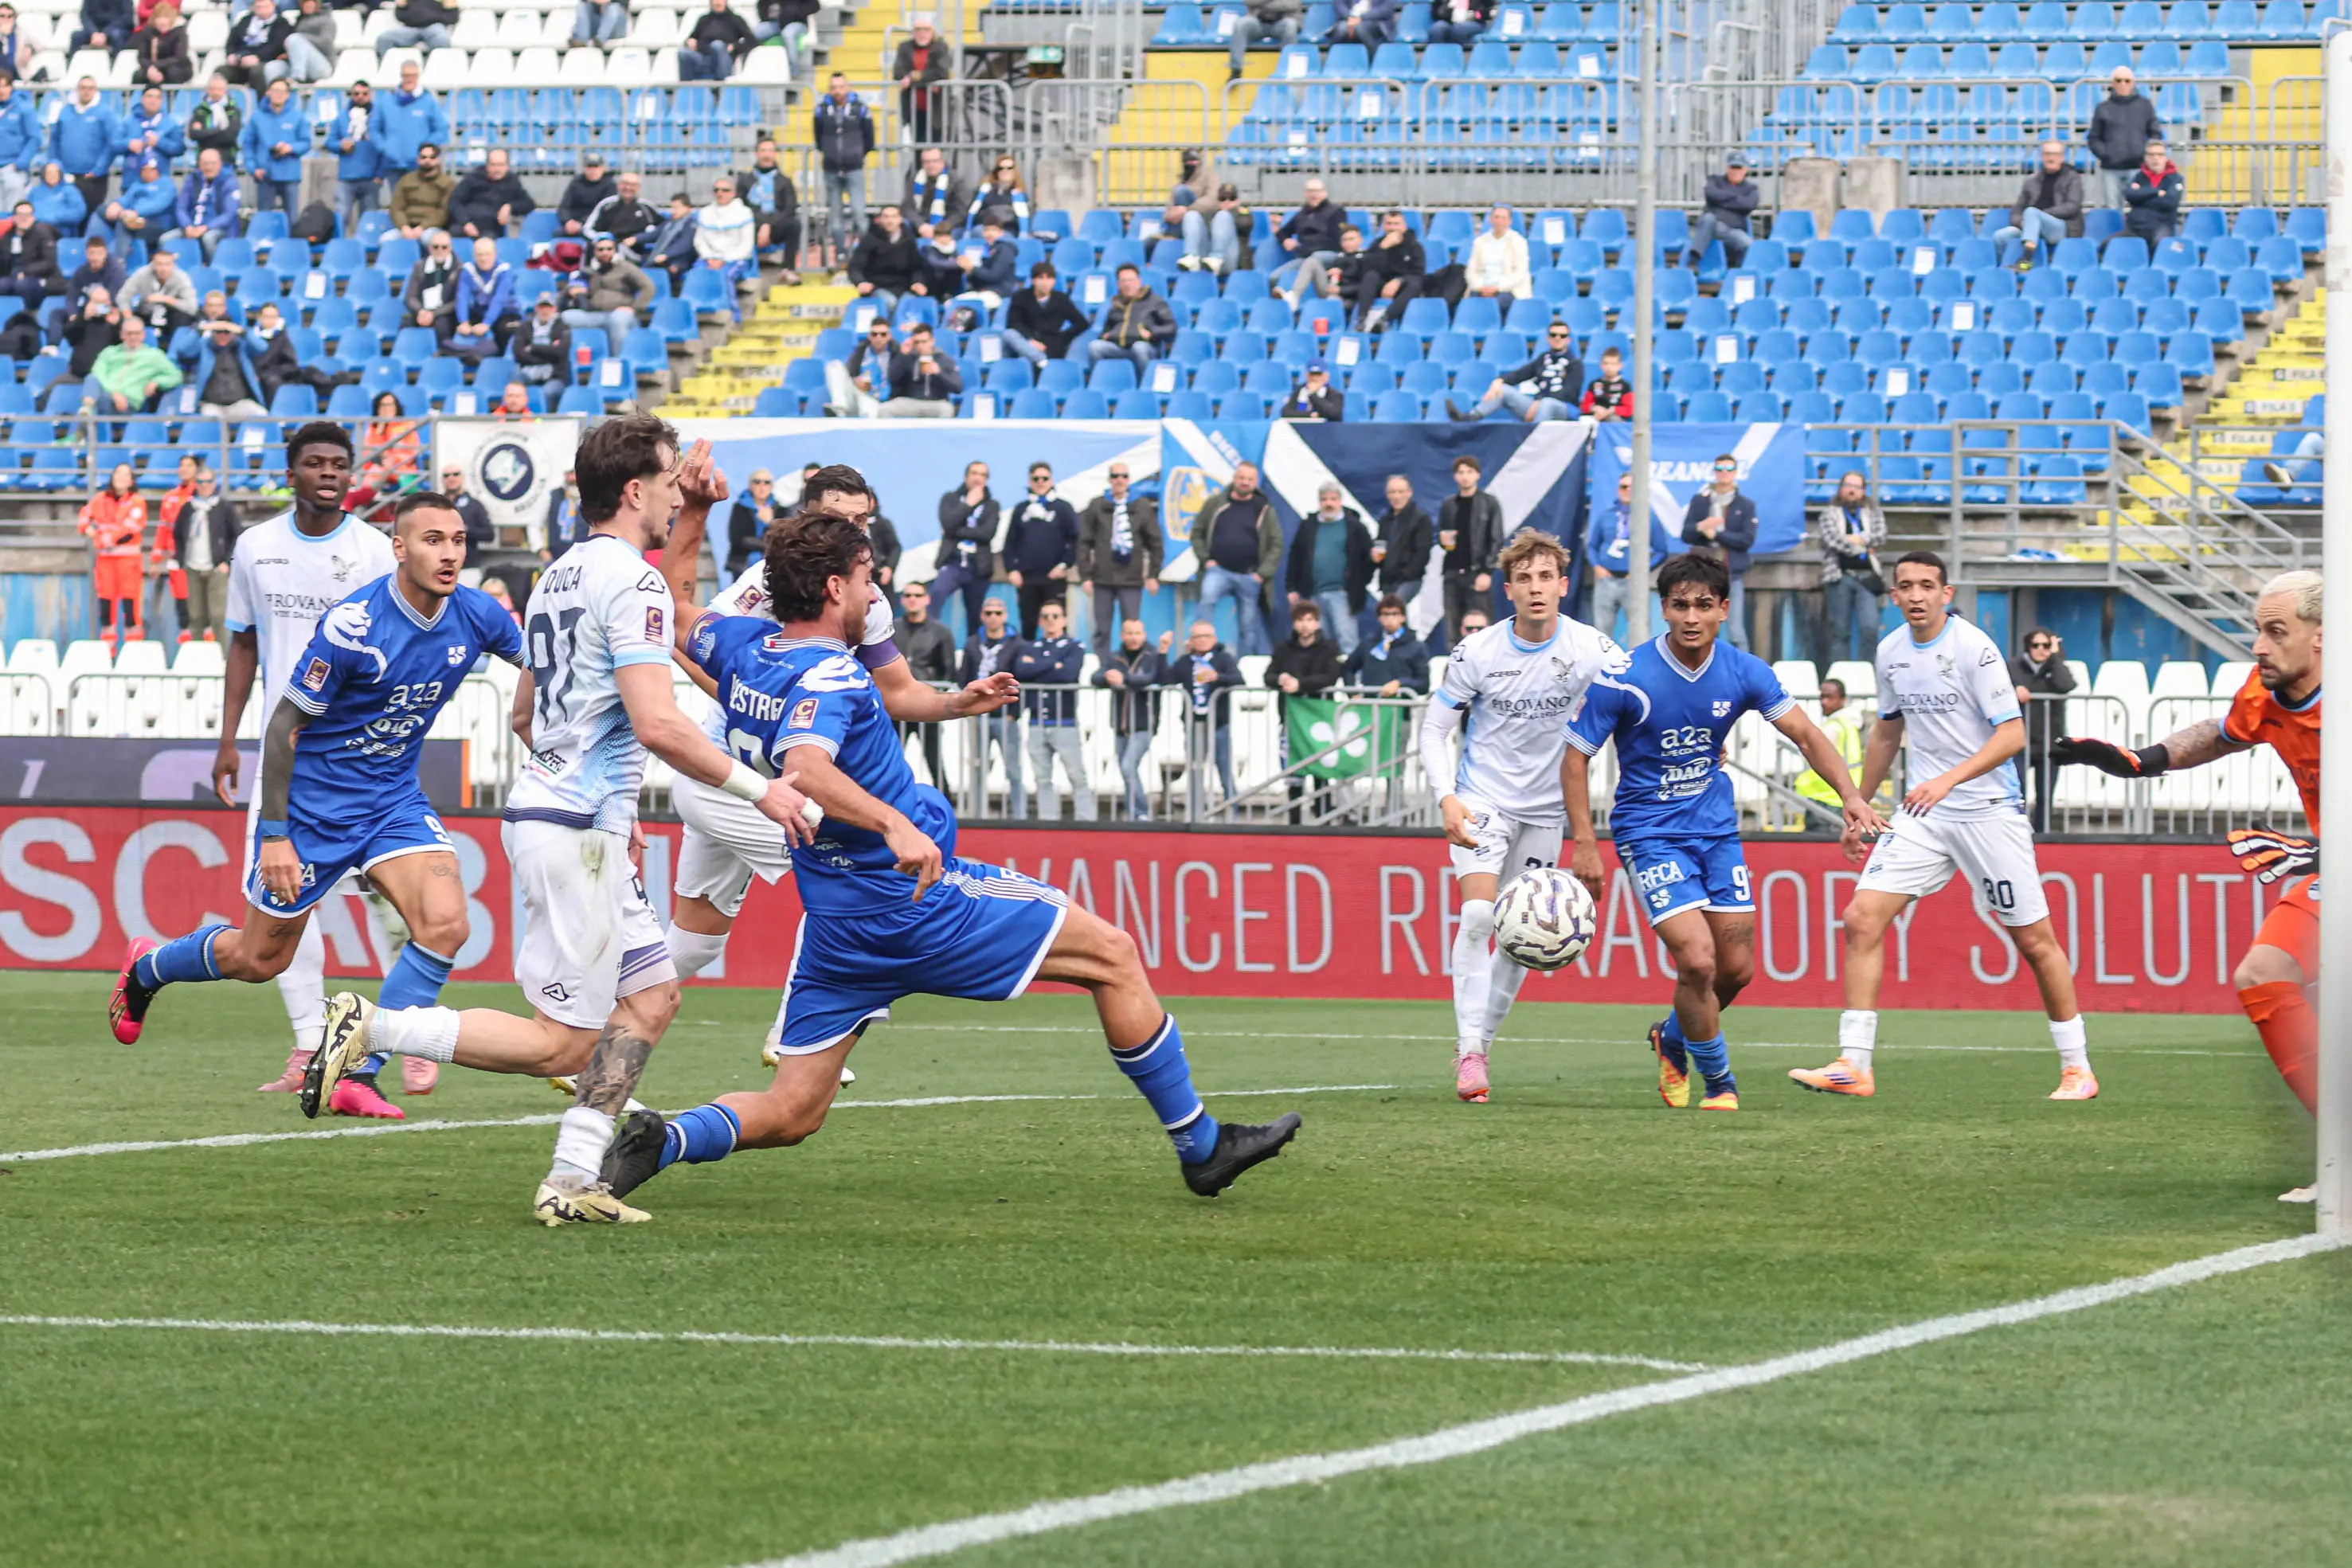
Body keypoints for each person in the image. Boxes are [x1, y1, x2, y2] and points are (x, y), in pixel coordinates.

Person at [581, 511, 1301, 1213]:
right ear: (834, 588)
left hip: (837, 924)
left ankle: (666, 1139)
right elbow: (806, 766)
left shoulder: (745, 648)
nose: (874, 592)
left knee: (795, 1109)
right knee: (1112, 955)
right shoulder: (829, 675)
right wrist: (894, 821)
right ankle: (1201, 1146)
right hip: (916, 902)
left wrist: (699, 511)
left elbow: (670, 609)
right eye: (867, 578)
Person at [309, 420, 820, 1222]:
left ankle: (574, 1179)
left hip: (573, 816)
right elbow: (658, 723)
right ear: (632, 490)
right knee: (561, 1042)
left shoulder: (559, 574)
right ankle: (375, 1029)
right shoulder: (632, 580)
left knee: (652, 996)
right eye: (664, 479)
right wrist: (765, 792)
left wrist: (606, 797)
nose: (669, 492)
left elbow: (527, 710)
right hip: (574, 828)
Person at [112, 491, 519, 1115]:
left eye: (458, 540)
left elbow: (547, 661)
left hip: (393, 801)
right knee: (258, 957)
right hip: (313, 810)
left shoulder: (479, 613)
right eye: (433, 539)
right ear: (399, 547)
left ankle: (358, 1069)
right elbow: (283, 728)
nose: (449, 553)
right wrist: (275, 834)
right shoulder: (354, 624)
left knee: (445, 924)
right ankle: (149, 966)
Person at [646, 464, 1019, 1064]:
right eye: (843, 518)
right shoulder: (767, 585)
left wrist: (955, 701)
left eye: (863, 520)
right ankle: (800, 1031)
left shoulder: (862, 596)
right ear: (808, 518)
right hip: (738, 779)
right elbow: (678, 628)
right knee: (852, 882)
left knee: (693, 941)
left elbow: (896, 691)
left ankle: (589, 1034)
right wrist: (751, 696)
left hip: (769, 772)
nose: (856, 530)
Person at [1567, 550, 1880, 1112]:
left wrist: (1851, 796)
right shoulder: (1624, 676)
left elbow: (1806, 734)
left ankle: (1671, 1036)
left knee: (1735, 971)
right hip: (1650, 833)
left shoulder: (1743, 671)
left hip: (1716, 835)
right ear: (1663, 608)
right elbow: (1574, 757)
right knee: (1697, 960)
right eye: (1680, 604)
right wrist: (1586, 842)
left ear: (1722, 609)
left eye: (1703, 605)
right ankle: (1720, 1084)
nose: (1691, 616)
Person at [138, 427, 399, 1095]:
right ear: (291, 474)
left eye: (340, 464)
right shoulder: (256, 548)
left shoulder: (373, 551)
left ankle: (410, 1030)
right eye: (315, 463)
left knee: (394, 893)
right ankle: (309, 1043)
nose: (329, 474)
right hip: (285, 756)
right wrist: (230, 739)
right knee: (285, 902)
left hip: (364, 752)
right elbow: (244, 646)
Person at [2049, 573, 2323, 1198]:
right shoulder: (2267, 691)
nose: (2257, 645)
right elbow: (2224, 733)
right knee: (2263, 973)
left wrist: (2319, 849)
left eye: (2274, 631)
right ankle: (2341, 1151)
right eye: (2257, 629)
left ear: (2321, 639)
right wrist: (2142, 759)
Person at [1791, 552, 2097, 1102]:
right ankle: (1853, 1064)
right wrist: (1857, 802)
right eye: (1904, 586)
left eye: (1926, 586)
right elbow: (1886, 732)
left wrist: (1947, 781)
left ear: (1945, 593)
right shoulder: (1889, 652)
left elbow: (2011, 736)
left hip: (1986, 809)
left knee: (2034, 940)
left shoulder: (1973, 648)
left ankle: (2077, 1067)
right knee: (1860, 918)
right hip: (1923, 815)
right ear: (1892, 596)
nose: (1915, 595)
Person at [1418, 530, 1626, 1103]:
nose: (1536, 589)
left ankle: (1481, 1045)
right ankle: (1466, 1051)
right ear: (1508, 590)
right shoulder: (1477, 652)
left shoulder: (1590, 648)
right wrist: (1445, 796)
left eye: (1545, 578)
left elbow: (1643, 695)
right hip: (1481, 799)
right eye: (1524, 579)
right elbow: (1434, 728)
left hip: (1545, 811)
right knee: (1481, 915)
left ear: (1562, 586)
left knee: (1519, 938)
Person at [1014, 600, 1090, 821]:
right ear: (1040, 621)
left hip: (1064, 721)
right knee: (1041, 777)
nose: (1051, 621)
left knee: (1077, 775)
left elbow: (1068, 674)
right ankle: (1048, 820)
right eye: (1046, 617)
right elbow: (1022, 671)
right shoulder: (1031, 647)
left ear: (1064, 620)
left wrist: (1038, 667)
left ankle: (1087, 820)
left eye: (1055, 616)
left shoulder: (1074, 646)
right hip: (1037, 720)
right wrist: (1053, 664)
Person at [1267, 599, 1342, 823]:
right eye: (1301, 620)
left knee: (1322, 774)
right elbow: (1268, 675)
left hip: (1321, 721)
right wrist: (1281, 679)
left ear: (1317, 623)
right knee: (1294, 775)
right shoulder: (1284, 648)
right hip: (1291, 722)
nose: (1305, 625)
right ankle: (1294, 823)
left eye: (1310, 620)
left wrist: (1300, 685)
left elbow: (1331, 675)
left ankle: (1323, 821)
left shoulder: (1329, 647)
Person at [1194, 459, 1279, 657]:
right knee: (1206, 603)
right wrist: (1206, 559)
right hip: (1218, 571)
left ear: (1256, 482)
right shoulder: (1215, 504)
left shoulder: (1265, 509)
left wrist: (1262, 574)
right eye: (1241, 477)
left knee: (1248, 627)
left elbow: (1276, 543)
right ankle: (1199, 653)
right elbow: (1197, 532)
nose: (1245, 482)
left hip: (1249, 575)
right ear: (1234, 479)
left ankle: (1243, 667)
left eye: (1250, 479)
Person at [1076, 460, 1160, 655]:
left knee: (1132, 630)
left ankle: (1130, 668)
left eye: (1123, 476)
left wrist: (1153, 574)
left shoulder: (1141, 506)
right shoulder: (1098, 505)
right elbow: (1084, 542)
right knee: (1101, 629)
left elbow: (1155, 542)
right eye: (1115, 476)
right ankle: (1103, 668)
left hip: (1131, 578)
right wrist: (1086, 576)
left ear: (1129, 480)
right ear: (1109, 480)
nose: (1119, 480)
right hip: (1102, 578)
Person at [1586, 468, 1673, 645]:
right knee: (1601, 631)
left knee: (1639, 630)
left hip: (1633, 582)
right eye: (1624, 487)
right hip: (1606, 579)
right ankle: (1602, 669)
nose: (1628, 491)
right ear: (1618, 489)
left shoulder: (1649, 517)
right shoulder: (1606, 516)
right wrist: (1597, 566)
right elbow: (1592, 545)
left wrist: (1641, 571)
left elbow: (1661, 550)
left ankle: (1639, 669)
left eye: (1632, 487)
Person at [1286, 481, 1372, 658]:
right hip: (1313, 594)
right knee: (1316, 643)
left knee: (1347, 641)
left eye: (1333, 499)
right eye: (1324, 499)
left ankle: (1351, 683)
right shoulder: (1308, 526)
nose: (1329, 503)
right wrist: (1292, 588)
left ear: (1340, 501)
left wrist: (1358, 583)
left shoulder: (1354, 526)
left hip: (1342, 594)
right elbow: (1295, 556)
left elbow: (1368, 559)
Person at [1680, 452, 1756, 652]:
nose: (1724, 473)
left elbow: (1746, 540)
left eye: (1729, 469)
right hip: (1703, 576)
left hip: (1732, 575)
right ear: (1714, 472)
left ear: (1736, 473)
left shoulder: (1745, 505)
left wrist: (1717, 534)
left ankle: (1744, 674)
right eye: (1720, 469)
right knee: (1702, 625)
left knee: (1735, 631)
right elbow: (1686, 534)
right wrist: (1701, 528)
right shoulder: (1700, 501)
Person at [1095, 619, 1170, 819]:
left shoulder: (1153, 656)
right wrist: (1107, 677)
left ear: (1144, 635)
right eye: (1129, 633)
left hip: (1144, 723)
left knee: (1128, 767)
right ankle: (1133, 813)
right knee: (1126, 770)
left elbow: (1154, 678)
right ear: (1122, 635)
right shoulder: (1115, 656)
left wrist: (1125, 679)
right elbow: (1095, 677)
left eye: (1137, 633)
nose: (1133, 637)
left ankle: (1142, 811)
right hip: (1121, 724)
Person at [961, 596, 1027, 817]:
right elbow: (964, 677)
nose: (993, 617)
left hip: (1005, 714)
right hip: (978, 714)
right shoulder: (972, 642)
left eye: (998, 613)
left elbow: (1023, 680)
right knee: (977, 767)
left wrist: (1014, 714)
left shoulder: (1017, 643)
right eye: (988, 613)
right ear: (982, 616)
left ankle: (1020, 816)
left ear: (1005, 616)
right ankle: (978, 814)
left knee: (1013, 769)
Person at [2006, 628, 2072, 832]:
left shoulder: (2057, 667)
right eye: (2036, 645)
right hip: (2019, 742)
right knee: (2018, 794)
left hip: (2049, 743)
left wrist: (2055, 658)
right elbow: (1996, 688)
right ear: (2028, 646)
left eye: (2046, 645)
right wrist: (2013, 690)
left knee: (2045, 796)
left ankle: (2043, 836)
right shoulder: (2013, 667)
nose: (2041, 650)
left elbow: (2066, 685)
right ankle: (2018, 833)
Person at [1815, 468, 1884, 666]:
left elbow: (1881, 536)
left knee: (1870, 628)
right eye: (1848, 486)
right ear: (1841, 489)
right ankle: (1840, 679)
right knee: (1839, 632)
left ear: (1863, 491)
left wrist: (1852, 540)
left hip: (1867, 577)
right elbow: (1832, 540)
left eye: (1857, 487)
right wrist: (1862, 544)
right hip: (1839, 576)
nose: (1852, 490)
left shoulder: (1873, 512)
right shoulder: (1829, 513)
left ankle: (1866, 675)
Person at [1449, 318, 1581, 421]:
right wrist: (1499, 381)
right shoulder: (1543, 359)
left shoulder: (1575, 364)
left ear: (1568, 340)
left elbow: (1570, 393)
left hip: (1563, 408)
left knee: (1547, 404)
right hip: (1538, 406)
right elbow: (1519, 375)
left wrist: (1539, 402)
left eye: (1562, 336)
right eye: (1553, 335)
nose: (1558, 338)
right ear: (1548, 338)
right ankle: (1470, 417)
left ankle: (1534, 441)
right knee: (1504, 390)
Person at [894, 580, 960, 787]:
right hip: (897, 706)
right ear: (903, 600)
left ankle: (946, 804)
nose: (913, 600)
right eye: (908, 595)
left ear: (927, 599)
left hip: (926, 706)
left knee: (934, 759)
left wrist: (932, 694)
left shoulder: (941, 632)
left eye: (918, 595)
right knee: (891, 760)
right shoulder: (891, 630)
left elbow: (948, 670)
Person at [1002, 460, 1078, 637]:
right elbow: (1010, 543)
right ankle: (1028, 662)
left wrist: (1064, 565)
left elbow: (1075, 540)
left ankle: (1060, 661)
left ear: (1051, 481)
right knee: (1028, 623)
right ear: (1030, 482)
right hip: (1027, 578)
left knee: (1057, 625)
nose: (1040, 482)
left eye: (1045, 478)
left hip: (1054, 577)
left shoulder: (1063, 508)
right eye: (1036, 479)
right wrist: (1011, 569)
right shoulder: (1021, 509)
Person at [166, 464, 240, 643]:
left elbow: (236, 536)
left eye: (208, 481)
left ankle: (224, 660)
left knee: (218, 615)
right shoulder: (188, 508)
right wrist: (182, 560)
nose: (205, 485)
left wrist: (226, 562)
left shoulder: (224, 507)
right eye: (200, 481)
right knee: (196, 616)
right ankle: (198, 657)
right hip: (193, 568)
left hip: (216, 569)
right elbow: (178, 535)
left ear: (214, 483)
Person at [80, 462, 147, 646]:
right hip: (105, 562)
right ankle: (107, 651)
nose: (121, 478)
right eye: (118, 474)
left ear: (131, 481)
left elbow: (131, 528)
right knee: (106, 603)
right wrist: (88, 529)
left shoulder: (137, 502)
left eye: (126, 475)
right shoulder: (99, 499)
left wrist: (105, 540)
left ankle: (133, 648)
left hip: (128, 561)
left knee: (130, 603)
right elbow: (84, 516)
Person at [1437, 454, 1501, 641]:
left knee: (1481, 624)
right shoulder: (1448, 504)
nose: (1465, 476)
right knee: (1453, 625)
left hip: (1477, 573)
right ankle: (1455, 664)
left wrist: (1486, 571)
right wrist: (1443, 541)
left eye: (1469, 472)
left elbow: (1496, 539)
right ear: (1455, 476)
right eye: (1461, 472)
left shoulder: (1489, 503)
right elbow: (1443, 536)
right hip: (1452, 572)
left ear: (1478, 475)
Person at [1992, 139, 2084, 271]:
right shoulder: (2032, 181)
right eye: (2047, 154)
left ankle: (2026, 260)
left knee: (2031, 212)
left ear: (2062, 157)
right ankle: (2002, 270)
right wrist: (2020, 222)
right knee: (2000, 237)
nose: (2051, 158)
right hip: (2032, 226)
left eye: (2055, 154)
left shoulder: (2072, 178)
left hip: (2062, 227)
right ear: (2042, 156)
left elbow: (2072, 206)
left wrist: (2042, 215)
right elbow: (2017, 210)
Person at [930, 459, 997, 634]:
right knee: (937, 594)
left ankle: (973, 656)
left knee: (975, 615)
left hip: (978, 566)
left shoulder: (992, 505)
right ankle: (928, 641)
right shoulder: (950, 498)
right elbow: (947, 522)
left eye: (982, 475)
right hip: (953, 561)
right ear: (966, 476)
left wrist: (955, 531)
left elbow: (987, 534)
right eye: (974, 473)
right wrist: (968, 504)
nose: (978, 478)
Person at [812, 73, 874, 262]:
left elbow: (869, 138)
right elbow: (818, 137)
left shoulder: (860, 108)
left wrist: (855, 155)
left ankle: (866, 254)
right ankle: (840, 253)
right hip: (831, 168)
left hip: (854, 167)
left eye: (841, 87)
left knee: (859, 212)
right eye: (834, 87)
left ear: (847, 87)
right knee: (835, 216)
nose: (837, 91)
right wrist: (831, 154)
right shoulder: (821, 110)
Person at [2086, 64, 2160, 209]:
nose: (2123, 84)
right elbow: (2094, 138)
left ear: (2133, 83)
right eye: (2118, 80)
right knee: (2113, 210)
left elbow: (2155, 133)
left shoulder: (2145, 105)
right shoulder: (2103, 108)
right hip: (2111, 169)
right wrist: (2106, 155)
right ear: (2113, 84)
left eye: (2127, 81)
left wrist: (2145, 155)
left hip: (2138, 168)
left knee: (2140, 207)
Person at [565, 233, 655, 350]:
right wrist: (573, 291)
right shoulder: (589, 271)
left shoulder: (626, 267)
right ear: (595, 252)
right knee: (566, 317)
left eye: (609, 249)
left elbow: (648, 287)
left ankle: (618, 362)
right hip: (596, 313)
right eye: (600, 249)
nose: (605, 253)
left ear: (614, 250)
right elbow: (574, 287)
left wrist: (635, 308)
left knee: (617, 320)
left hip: (621, 313)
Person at [1792, 676, 1865, 818]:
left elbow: (1809, 752)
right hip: (1841, 796)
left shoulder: (1832, 728)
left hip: (1825, 797)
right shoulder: (1848, 725)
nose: (1824, 702)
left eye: (1830, 698)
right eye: (1822, 697)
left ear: (1843, 700)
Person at [370, 60, 448, 190]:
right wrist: (385, 147)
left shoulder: (428, 102)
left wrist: (426, 149)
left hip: (419, 165)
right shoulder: (385, 101)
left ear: (418, 77)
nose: (409, 79)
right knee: (398, 204)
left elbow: (441, 129)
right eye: (406, 76)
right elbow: (374, 128)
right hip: (393, 164)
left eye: (413, 76)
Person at [51, 75, 120, 218]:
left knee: (89, 216)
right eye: (83, 88)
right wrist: (55, 164)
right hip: (67, 175)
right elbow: (55, 140)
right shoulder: (65, 112)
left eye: (90, 88)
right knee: (66, 215)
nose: (86, 91)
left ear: (95, 91)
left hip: (92, 177)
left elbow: (112, 144)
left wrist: (98, 169)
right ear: (77, 90)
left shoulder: (105, 113)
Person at [1089, 262, 1175, 376]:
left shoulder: (1155, 301)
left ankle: (1144, 385)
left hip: (1146, 346)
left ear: (1139, 282)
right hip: (1119, 346)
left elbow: (1171, 327)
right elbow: (1107, 329)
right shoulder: (1116, 305)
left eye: (1131, 280)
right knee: (1095, 347)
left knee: (1139, 347)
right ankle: (1099, 380)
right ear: (1118, 284)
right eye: (1123, 281)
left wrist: (1152, 333)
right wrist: (1106, 336)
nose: (1127, 284)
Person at [736, 137, 800, 281]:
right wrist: (761, 224)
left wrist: (768, 225)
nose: (767, 154)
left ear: (775, 154)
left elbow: (790, 209)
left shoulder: (784, 181)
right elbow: (741, 207)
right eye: (763, 150)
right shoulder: (745, 180)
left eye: (770, 150)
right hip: (751, 225)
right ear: (756, 153)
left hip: (775, 226)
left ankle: (788, 269)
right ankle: (742, 270)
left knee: (794, 225)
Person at [237, 76, 305, 215]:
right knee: (264, 218)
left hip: (290, 175)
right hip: (265, 174)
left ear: (287, 95)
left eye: (282, 91)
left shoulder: (297, 116)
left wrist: (290, 148)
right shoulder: (257, 117)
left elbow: (306, 142)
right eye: (275, 90)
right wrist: (252, 168)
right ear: (268, 92)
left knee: (292, 219)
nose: (278, 95)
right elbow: (248, 144)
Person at [88, 312, 179, 413]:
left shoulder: (154, 355)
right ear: (122, 335)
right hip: (106, 396)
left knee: (94, 402)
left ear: (143, 335)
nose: (133, 337)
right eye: (129, 333)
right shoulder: (110, 352)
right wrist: (114, 393)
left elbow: (176, 376)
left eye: (137, 333)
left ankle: (85, 414)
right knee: (91, 379)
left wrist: (157, 381)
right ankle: (87, 413)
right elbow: (97, 374)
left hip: (128, 403)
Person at [1001, 260, 1087, 368]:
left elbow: (1082, 323)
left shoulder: (1061, 299)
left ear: (1054, 281)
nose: (1045, 282)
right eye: (1041, 278)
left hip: (1050, 345)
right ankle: (1039, 359)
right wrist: (1030, 339)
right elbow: (1013, 323)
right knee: (1008, 334)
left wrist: (1063, 338)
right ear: (1033, 280)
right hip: (1026, 342)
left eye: (1049, 278)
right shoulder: (1020, 297)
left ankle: (1040, 359)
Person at [1271, 177, 1343, 303]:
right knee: (1274, 277)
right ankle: (1281, 306)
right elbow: (1283, 232)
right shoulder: (1302, 213)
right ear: (1305, 194)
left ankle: (1294, 297)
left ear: (1324, 193)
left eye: (1316, 191)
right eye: (1310, 191)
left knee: (1315, 257)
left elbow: (1336, 241)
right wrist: (1286, 240)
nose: (1313, 195)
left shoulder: (1336, 212)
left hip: (1328, 254)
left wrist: (1307, 247)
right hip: (1304, 257)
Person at [695, 174, 757, 319]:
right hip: (709, 258)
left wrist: (724, 260)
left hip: (736, 259)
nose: (720, 193)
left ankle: (732, 313)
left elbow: (746, 245)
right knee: (695, 274)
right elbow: (700, 240)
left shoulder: (744, 213)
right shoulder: (705, 213)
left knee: (726, 275)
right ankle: (697, 311)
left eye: (725, 190)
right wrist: (709, 258)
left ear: (733, 193)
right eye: (716, 190)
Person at [448, 234, 516, 360]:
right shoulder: (468, 270)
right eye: (480, 255)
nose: (483, 259)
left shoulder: (504, 270)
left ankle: (490, 358)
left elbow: (499, 299)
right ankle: (469, 353)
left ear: (495, 254)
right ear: (474, 255)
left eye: (487, 254)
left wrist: (487, 323)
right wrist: (463, 321)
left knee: (504, 330)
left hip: (506, 313)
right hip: (480, 311)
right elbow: (462, 296)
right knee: (450, 323)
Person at [1344, 593, 1428, 695]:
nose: (1390, 618)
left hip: (1401, 707)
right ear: (1379, 618)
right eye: (1385, 614)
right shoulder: (1368, 644)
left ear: (1403, 617)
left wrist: (1400, 683)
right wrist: (1352, 694)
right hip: (1370, 705)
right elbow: (1348, 668)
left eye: (1394, 614)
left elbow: (1424, 684)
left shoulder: (1416, 647)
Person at [1355, 208, 1423, 331]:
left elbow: (1418, 273)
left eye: (1396, 224)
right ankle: (1362, 318)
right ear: (1383, 226)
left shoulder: (1414, 246)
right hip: (1380, 284)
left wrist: (1399, 281)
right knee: (1370, 276)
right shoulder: (1377, 244)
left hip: (1403, 286)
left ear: (1404, 226)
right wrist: (1383, 249)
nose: (1392, 228)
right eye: (1389, 224)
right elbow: (1367, 268)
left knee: (1415, 284)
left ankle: (1385, 319)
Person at [847, 201, 917, 322]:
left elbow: (917, 267)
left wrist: (918, 282)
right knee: (890, 303)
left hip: (903, 288)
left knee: (910, 303)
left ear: (900, 219)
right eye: (886, 217)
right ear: (880, 220)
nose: (890, 221)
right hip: (877, 287)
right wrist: (860, 282)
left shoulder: (909, 240)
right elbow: (855, 266)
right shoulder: (870, 239)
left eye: (894, 217)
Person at [1372, 472, 1430, 611]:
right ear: (1387, 495)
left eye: (1400, 491)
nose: (1396, 496)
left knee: (1394, 609)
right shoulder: (1385, 520)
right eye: (1392, 492)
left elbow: (1423, 552)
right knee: (1394, 617)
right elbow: (1380, 545)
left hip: (1409, 579)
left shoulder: (1420, 518)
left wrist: (1407, 574)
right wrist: (1375, 557)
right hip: (1387, 579)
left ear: (1409, 493)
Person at [1685, 155, 1755, 269]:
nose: (1735, 171)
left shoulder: (1751, 188)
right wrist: (1736, 198)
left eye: (1739, 168)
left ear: (1745, 170)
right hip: (1714, 226)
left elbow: (1749, 204)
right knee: (1708, 219)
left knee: (1749, 244)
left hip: (1733, 231)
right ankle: (1694, 260)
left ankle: (1737, 273)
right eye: (1733, 167)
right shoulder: (1714, 180)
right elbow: (1711, 194)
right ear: (1727, 168)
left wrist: (1722, 198)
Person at [189, 313, 264, 417]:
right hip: (211, 405)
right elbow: (184, 351)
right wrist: (200, 330)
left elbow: (262, 347)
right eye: (218, 332)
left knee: (262, 415)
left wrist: (243, 332)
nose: (222, 335)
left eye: (226, 332)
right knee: (207, 420)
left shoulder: (242, 347)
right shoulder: (204, 346)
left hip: (239, 404)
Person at [448, 146, 533, 239]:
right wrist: (465, 223)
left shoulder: (512, 181)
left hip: (491, 229)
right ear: (487, 166)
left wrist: (509, 207)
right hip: (465, 226)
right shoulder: (473, 179)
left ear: (507, 166)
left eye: (501, 165)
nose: (497, 169)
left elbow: (528, 203)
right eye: (493, 165)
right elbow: (455, 202)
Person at [891, 15, 950, 145]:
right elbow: (898, 73)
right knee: (917, 145)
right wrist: (927, 80)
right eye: (918, 30)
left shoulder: (941, 47)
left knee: (935, 146)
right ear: (913, 32)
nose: (922, 33)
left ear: (932, 32)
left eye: (926, 29)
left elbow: (941, 72)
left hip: (936, 107)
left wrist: (912, 77)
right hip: (913, 107)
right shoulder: (904, 47)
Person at [172, 145, 239, 260]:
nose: (209, 167)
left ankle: (216, 270)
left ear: (220, 164)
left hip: (219, 229)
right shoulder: (192, 179)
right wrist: (187, 225)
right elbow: (181, 208)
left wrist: (206, 227)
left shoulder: (230, 182)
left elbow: (230, 214)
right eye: (205, 163)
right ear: (200, 165)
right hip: (192, 227)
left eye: (212, 163)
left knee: (209, 238)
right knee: (166, 239)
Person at [882, 320, 960, 416]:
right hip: (912, 402)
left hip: (936, 403)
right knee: (885, 409)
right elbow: (893, 378)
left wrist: (939, 373)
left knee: (946, 409)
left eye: (924, 342)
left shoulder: (944, 360)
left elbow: (958, 387)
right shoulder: (909, 358)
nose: (920, 346)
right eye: (917, 342)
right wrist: (902, 355)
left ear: (932, 341)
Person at [1176, 183, 1248, 278]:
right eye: (1222, 199)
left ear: (1237, 201)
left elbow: (1245, 226)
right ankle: (1191, 256)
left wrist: (1233, 211)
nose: (1227, 202)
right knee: (1192, 215)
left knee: (1223, 216)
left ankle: (1217, 258)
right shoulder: (1211, 215)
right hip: (1206, 258)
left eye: (1231, 199)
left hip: (1230, 261)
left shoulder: (1243, 214)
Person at [118, 84, 186, 184]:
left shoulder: (171, 124)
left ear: (162, 101)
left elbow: (179, 149)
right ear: (142, 99)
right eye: (149, 96)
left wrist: (159, 142)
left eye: (157, 97)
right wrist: (128, 144)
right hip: (132, 182)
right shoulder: (128, 122)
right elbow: (114, 143)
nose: (153, 100)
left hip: (159, 184)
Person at [585, 169, 660, 259]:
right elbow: (587, 229)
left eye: (633, 185)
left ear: (638, 187)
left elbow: (661, 229)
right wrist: (603, 239)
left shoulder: (647, 207)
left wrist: (638, 238)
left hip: (634, 253)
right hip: (605, 252)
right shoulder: (606, 205)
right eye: (625, 183)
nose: (628, 188)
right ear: (618, 185)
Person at [386, 143, 454, 240]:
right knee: (385, 240)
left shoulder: (448, 183)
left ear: (438, 160)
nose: (427, 160)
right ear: (418, 159)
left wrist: (423, 227)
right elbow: (396, 208)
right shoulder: (406, 180)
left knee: (428, 239)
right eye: (423, 157)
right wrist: (404, 226)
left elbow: (443, 212)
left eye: (432, 157)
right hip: (406, 226)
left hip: (431, 227)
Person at [2123, 138, 2184, 244]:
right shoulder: (2139, 177)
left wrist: (2141, 197)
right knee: (2108, 245)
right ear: (2145, 157)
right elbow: (2129, 195)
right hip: (2135, 227)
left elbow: (2170, 202)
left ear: (2166, 158)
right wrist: (2156, 192)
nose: (2155, 158)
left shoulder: (2176, 178)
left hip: (2161, 226)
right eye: (2151, 155)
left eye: (2160, 154)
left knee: (2159, 244)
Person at [0, 196, 56, 310]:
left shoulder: (42, 235)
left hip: (35, 276)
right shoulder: (6, 237)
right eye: (20, 215)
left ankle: (30, 315)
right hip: (11, 275)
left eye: (28, 215)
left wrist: (26, 272)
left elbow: (49, 262)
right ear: (14, 218)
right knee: (2, 284)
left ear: (33, 218)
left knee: (23, 285)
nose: (24, 219)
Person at [1464, 205, 1530, 299]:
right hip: (1482, 288)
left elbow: (1520, 273)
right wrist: (1479, 287)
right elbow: (1471, 270)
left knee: (1494, 304)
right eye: (1497, 217)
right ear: (1491, 219)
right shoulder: (1480, 241)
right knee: (1471, 303)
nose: (1499, 221)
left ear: (1509, 221)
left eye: (1503, 218)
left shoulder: (1518, 242)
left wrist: (1498, 288)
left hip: (1509, 290)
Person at [219, 0, 289, 88]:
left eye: (266, 7)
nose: (263, 10)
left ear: (273, 6)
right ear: (253, 8)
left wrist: (258, 58)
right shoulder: (245, 20)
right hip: (240, 60)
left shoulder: (281, 23)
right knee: (221, 72)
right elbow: (232, 41)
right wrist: (231, 54)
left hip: (265, 61)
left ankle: (259, 100)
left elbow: (276, 47)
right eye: (259, 7)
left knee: (257, 72)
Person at [902, 144, 965, 239]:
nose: (931, 165)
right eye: (927, 162)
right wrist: (921, 225)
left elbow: (960, 212)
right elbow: (908, 207)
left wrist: (941, 228)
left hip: (948, 226)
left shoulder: (956, 181)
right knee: (903, 226)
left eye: (935, 161)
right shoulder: (915, 180)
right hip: (920, 225)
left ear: (942, 162)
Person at [680, 0, 755, 79]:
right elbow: (693, 37)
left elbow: (752, 42)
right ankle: (686, 87)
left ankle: (720, 85)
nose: (717, 3)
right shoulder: (704, 19)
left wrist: (735, 46)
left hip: (724, 57)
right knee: (683, 53)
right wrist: (689, 42)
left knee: (717, 45)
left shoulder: (735, 19)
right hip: (703, 57)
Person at [1226, 0, 1301, 80]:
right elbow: (1248, 2)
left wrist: (1264, 5)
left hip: (1281, 22)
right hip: (1258, 21)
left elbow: (1293, 4)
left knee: (1291, 25)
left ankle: (1287, 70)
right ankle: (1236, 70)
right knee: (1240, 24)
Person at [182, 72, 241, 170]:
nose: (216, 92)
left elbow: (230, 136)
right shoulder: (199, 110)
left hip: (226, 160)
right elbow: (193, 134)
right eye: (213, 89)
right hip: (203, 161)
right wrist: (219, 130)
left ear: (225, 90)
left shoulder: (233, 110)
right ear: (208, 90)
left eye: (219, 89)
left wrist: (204, 135)